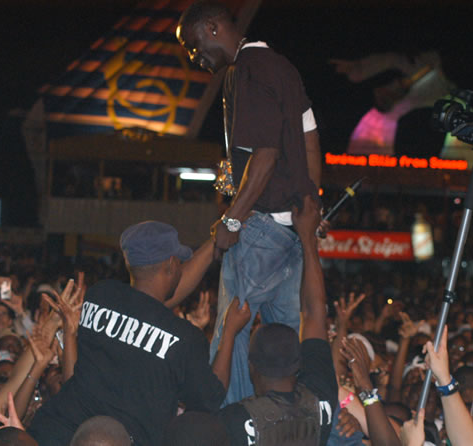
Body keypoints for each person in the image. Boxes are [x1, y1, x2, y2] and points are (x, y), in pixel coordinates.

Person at [176, 0, 322, 404]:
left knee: (231, 337)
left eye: (192, 45)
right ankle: (289, 423)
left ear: (211, 28)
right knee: (284, 345)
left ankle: (229, 428)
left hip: (258, 229)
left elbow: (266, 155)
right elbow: (310, 136)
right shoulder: (281, 66)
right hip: (290, 231)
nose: (193, 56)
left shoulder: (248, 70)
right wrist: (311, 197)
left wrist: (232, 221)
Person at [28, 221, 251, 446]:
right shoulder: (185, 338)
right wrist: (229, 331)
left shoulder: (100, 295)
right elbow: (212, 398)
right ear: (172, 264)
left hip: (55, 432)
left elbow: (147, 309)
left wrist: (215, 242)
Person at [164, 195, 337, 446]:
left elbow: (213, 394)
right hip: (294, 235)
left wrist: (231, 333)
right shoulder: (321, 401)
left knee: (237, 314)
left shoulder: (234, 420)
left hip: (272, 229)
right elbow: (314, 312)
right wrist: (308, 241)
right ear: (300, 362)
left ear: (251, 366)